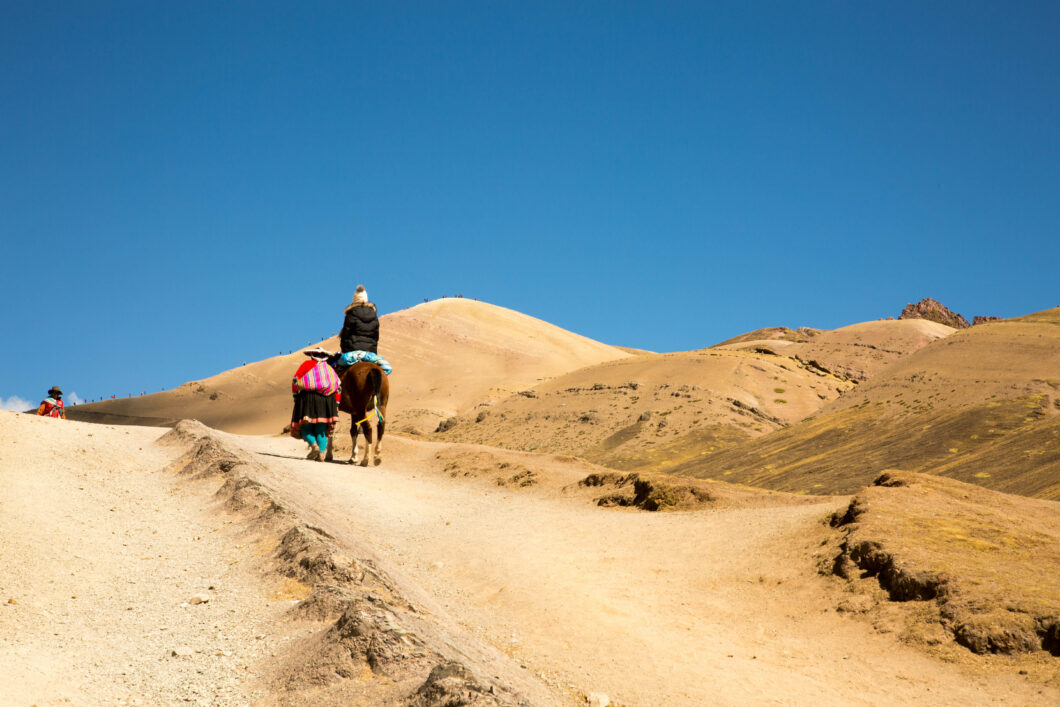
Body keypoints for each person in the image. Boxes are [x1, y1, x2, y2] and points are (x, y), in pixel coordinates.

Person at [290, 348, 340, 461]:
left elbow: (295, 380)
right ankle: (322, 454)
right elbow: (337, 386)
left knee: (305, 429)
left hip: (308, 400)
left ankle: (314, 446)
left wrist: (295, 394)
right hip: (327, 401)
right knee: (321, 431)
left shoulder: (306, 364)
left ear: (312, 355)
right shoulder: (329, 368)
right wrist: (336, 403)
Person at [336, 285, 393, 374]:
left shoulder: (351, 314)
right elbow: (375, 338)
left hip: (352, 354)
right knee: (386, 369)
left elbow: (345, 336)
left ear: (354, 300)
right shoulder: (374, 315)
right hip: (370, 355)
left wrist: (344, 350)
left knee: (336, 367)